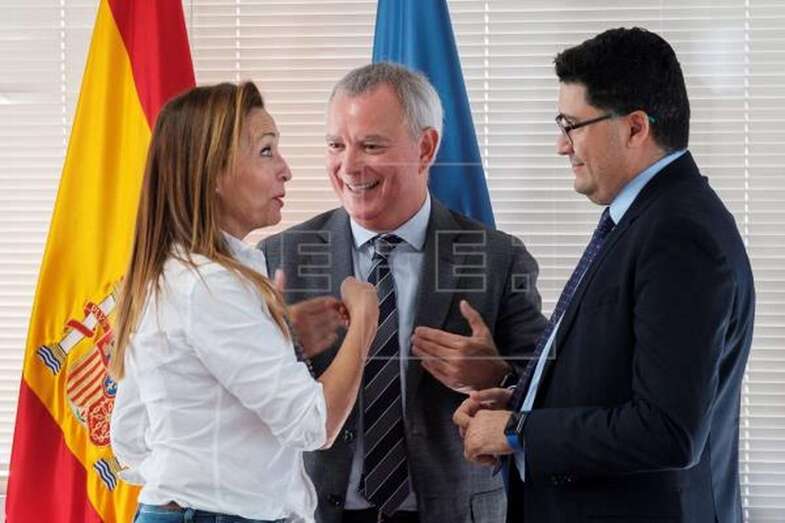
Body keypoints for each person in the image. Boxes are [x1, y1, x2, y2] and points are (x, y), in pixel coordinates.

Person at [454, 27, 755, 523]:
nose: (560, 145)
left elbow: (667, 429)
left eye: (572, 125)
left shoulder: (679, 234)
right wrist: (520, 398)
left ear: (635, 128)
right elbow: (617, 375)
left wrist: (517, 431)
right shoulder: (645, 218)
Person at [260, 62, 546, 523]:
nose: (349, 166)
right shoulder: (278, 257)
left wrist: (495, 374)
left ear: (425, 148)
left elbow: (555, 396)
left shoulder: (498, 258)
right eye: (336, 145)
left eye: (371, 146)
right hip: (313, 512)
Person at [109, 81, 379, 523]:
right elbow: (315, 425)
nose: (287, 170)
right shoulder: (211, 287)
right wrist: (365, 320)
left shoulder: (173, 276)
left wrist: (273, 343)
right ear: (212, 173)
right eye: (266, 151)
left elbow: (132, 436)